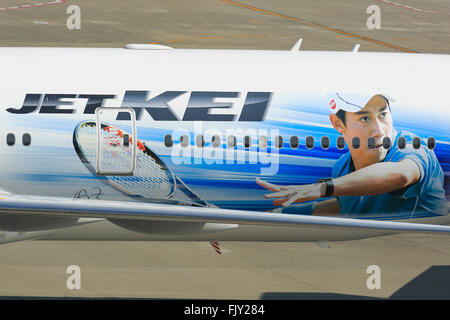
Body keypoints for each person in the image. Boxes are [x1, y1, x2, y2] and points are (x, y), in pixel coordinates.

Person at [256, 93, 447, 217]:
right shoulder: (342, 167)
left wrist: (323, 188)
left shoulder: (411, 147)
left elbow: (402, 174)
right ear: (338, 124)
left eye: (383, 114)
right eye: (365, 118)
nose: (379, 130)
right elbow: (351, 206)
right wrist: (284, 214)